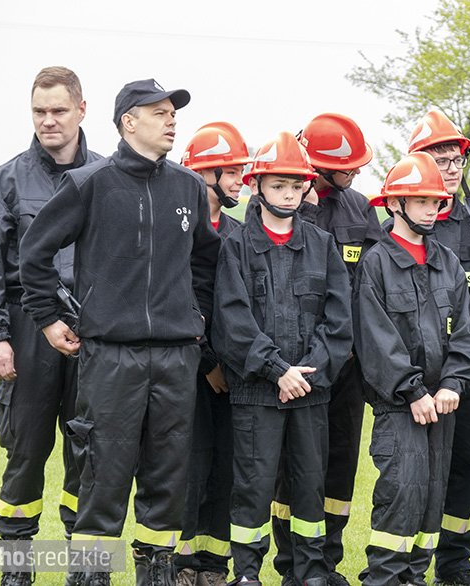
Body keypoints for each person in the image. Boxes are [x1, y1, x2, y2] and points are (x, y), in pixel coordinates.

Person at [19, 78, 221, 586]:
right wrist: (47, 318)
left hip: (176, 358)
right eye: (159, 112)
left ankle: (156, 572)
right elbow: (34, 254)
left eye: (173, 113)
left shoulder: (188, 187)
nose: (171, 120)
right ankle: (91, 576)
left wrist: (196, 315)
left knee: (168, 476)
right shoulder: (89, 183)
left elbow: (206, 259)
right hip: (111, 357)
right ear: (129, 122)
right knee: (103, 475)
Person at [0, 66, 102, 586]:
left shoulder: (107, 177)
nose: (48, 120)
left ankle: (85, 568)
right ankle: (15, 568)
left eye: (58, 110)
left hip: (93, 337)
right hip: (26, 333)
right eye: (39, 111)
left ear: (81, 110)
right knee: (25, 452)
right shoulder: (4, 181)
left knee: (89, 454)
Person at [211, 131, 353, 586]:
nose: (289, 194)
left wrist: (306, 374)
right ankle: (247, 574)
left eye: (296, 185)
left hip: (310, 391)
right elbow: (232, 323)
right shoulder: (236, 246)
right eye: (278, 185)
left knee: (310, 483)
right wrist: (277, 370)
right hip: (256, 393)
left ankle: (310, 572)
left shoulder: (322, 244)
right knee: (253, 485)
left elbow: (339, 321)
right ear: (256, 186)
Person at [353, 151, 470, 586]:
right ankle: (385, 577)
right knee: (402, 491)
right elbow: (376, 339)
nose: (432, 209)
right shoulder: (376, 263)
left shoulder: (447, 261)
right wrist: (412, 391)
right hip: (400, 405)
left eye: (435, 202)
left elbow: (467, 332)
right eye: (421, 201)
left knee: (432, 496)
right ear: (395, 204)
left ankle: (414, 576)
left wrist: (452, 384)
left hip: (442, 403)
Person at [271, 113, 380, 586]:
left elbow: (373, 279)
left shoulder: (360, 208)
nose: (355, 172)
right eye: (346, 166)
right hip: (296, 365)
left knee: (339, 463)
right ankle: (291, 565)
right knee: (291, 466)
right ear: (316, 168)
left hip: (347, 365)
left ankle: (325, 564)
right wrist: (308, 207)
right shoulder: (286, 206)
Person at [402, 110, 470, 586]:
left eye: (457, 160)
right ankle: (408, 562)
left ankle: (455, 560)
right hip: (418, 375)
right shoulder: (402, 227)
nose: (452, 169)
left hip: (469, 370)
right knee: (416, 469)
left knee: (464, 462)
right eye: (441, 160)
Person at [176, 122, 252, 586]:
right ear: (205, 174)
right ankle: (181, 564)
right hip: (188, 369)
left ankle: (213, 565)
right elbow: (176, 298)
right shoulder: (177, 230)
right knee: (188, 464)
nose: (241, 181)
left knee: (228, 465)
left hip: (235, 370)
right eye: (233, 172)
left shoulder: (239, 234)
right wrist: (207, 363)